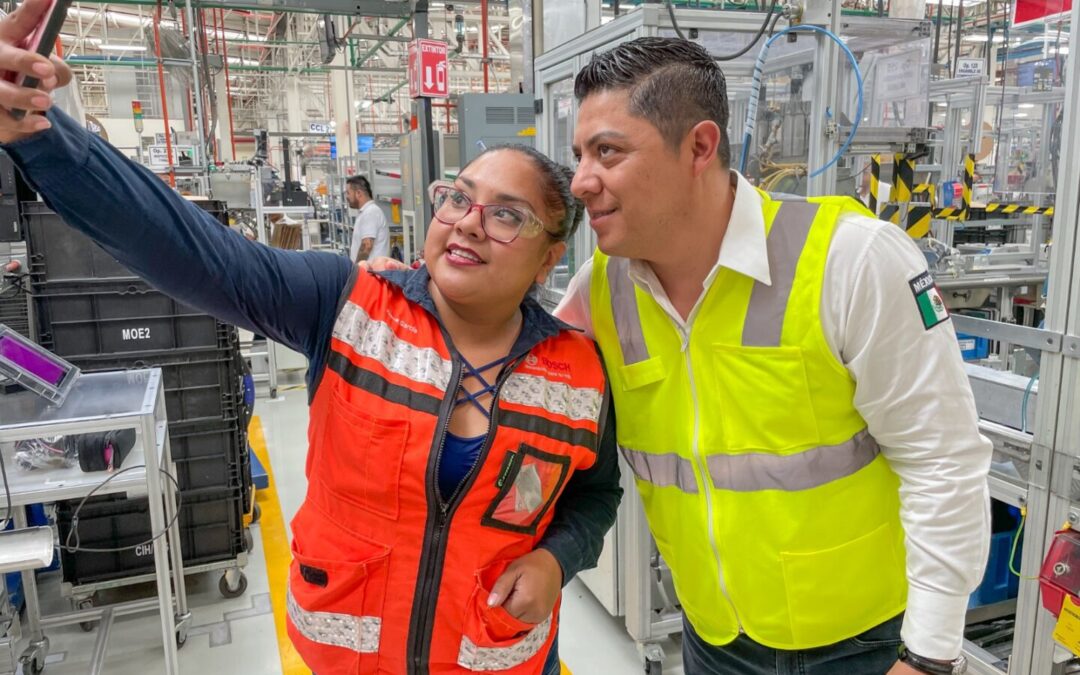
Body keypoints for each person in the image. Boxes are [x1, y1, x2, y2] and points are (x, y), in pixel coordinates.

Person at [0, 3, 621, 673]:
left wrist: (558, 560)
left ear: (550, 258)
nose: (468, 223)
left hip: (498, 657)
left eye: (506, 215)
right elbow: (188, 247)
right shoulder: (345, 304)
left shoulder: (578, 371)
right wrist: (39, 136)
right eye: (458, 197)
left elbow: (596, 493)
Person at [555, 38, 992, 675]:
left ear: (699, 148)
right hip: (712, 636)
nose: (580, 181)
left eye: (608, 152)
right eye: (578, 156)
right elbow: (510, 376)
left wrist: (928, 656)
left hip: (862, 644)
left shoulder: (851, 261)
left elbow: (942, 460)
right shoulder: (600, 290)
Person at [346, 174, 391, 263]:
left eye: (348, 193)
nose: (347, 197)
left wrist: (356, 269)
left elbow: (367, 245)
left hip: (370, 272)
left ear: (358, 193)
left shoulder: (371, 212)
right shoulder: (366, 212)